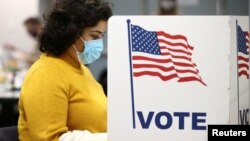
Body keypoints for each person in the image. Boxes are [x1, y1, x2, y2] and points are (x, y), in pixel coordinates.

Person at [18, 0, 112, 140]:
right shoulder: (46, 73)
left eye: (100, 37)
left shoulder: (81, 70)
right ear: (71, 33)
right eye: (94, 36)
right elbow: (50, 138)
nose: (99, 43)